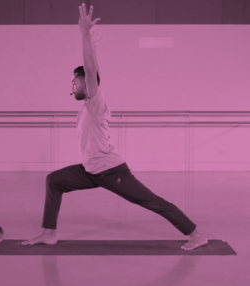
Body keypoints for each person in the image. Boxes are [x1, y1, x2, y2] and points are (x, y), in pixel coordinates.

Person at [22, 4, 208, 250]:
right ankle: (49, 233)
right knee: (54, 180)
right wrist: (94, 48)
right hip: (90, 170)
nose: (71, 87)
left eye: (74, 82)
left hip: (112, 172)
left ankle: (195, 233)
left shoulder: (95, 103)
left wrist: (85, 35)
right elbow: (93, 71)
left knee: (151, 201)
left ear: (85, 84)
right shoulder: (88, 105)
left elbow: (91, 72)